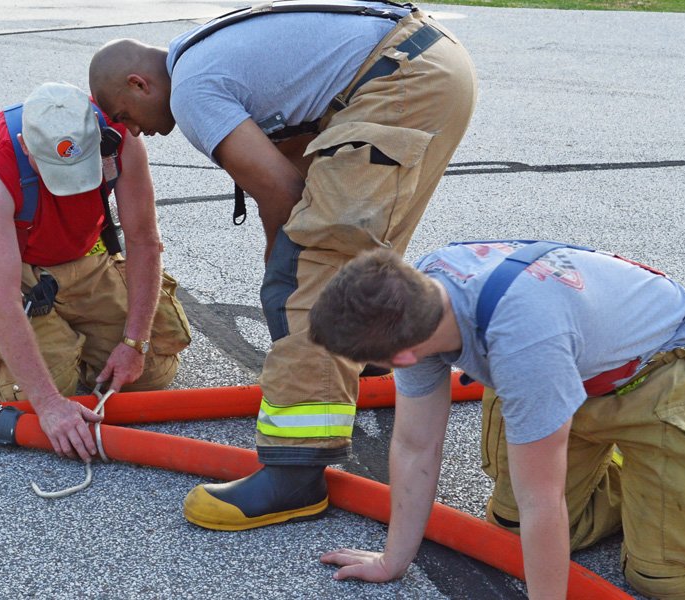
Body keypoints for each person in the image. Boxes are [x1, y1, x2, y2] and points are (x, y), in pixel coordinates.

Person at [87, 0, 477, 529]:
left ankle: (295, 474)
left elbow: (284, 193)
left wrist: (285, 278)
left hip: (401, 81)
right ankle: (370, 362)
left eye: (128, 118)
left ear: (139, 84)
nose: (136, 133)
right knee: (347, 252)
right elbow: (298, 166)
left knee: (311, 267)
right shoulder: (208, 54)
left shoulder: (193, 90)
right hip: (420, 66)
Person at [308, 242, 685, 600]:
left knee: (670, 580)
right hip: (564, 367)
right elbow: (415, 447)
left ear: (403, 356)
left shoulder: (523, 344)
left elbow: (544, 500)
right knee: (515, 534)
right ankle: (648, 482)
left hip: (660, 373)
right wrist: (393, 561)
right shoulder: (419, 295)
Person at [0, 82, 191, 461]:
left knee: (149, 374)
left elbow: (144, 241)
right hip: (12, 263)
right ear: (25, 146)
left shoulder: (118, 136)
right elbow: (3, 299)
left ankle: (60, 332)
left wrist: (134, 343)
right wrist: (49, 404)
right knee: (41, 393)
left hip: (82, 254)